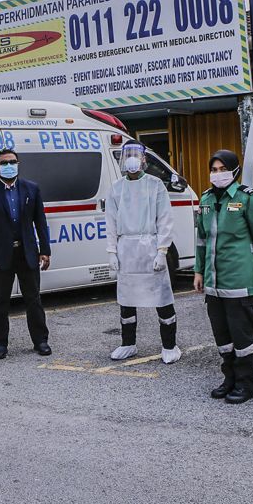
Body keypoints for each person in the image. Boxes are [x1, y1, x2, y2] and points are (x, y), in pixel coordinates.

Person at [193, 150, 253, 404]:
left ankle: (247, 385)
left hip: (240, 280)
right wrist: (198, 270)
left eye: (222, 169)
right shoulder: (205, 200)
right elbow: (201, 240)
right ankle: (230, 379)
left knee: (242, 338)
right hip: (214, 283)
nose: (217, 174)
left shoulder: (247, 199)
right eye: (213, 170)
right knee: (223, 338)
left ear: (235, 170)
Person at [105, 141, 181, 364]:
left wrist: (162, 250)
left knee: (161, 297)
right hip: (126, 248)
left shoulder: (156, 185)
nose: (132, 159)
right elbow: (110, 221)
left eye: (136, 155)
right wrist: (112, 251)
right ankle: (128, 344)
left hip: (150, 246)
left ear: (144, 160)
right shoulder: (116, 188)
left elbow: (165, 219)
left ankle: (170, 345)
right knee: (126, 299)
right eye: (127, 155)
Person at [0, 149, 52, 359]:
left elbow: (40, 222)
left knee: (33, 300)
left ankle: (41, 341)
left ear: (18, 163)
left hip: (28, 253)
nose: (9, 165)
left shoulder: (31, 189)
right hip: (0, 256)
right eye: (4, 163)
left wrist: (45, 250)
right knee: (0, 302)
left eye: (12, 162)